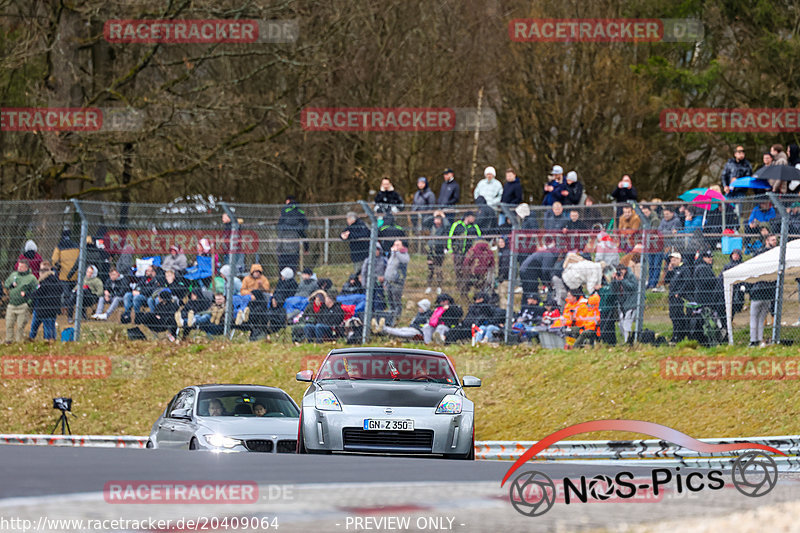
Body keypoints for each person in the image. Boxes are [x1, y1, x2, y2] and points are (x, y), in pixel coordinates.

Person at [448, 212, 482, 296]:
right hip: (458, 253)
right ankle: (460, 289)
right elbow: (450, 237)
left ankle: (465, 291)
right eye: (473, 217)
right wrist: (451, 250)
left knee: (467, 272)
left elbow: (479, 239)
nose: (474, 219)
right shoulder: (457, 225)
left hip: (470, 254)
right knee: (458, 271)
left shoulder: (475, 227)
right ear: (467, 217)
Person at [4, 259, 37, 343]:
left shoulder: (32, 278)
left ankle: (19, 342)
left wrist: (28, 302)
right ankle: (9, 340)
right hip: (12, 304)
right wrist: (11, 285)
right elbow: (6, 284)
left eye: (22, 267)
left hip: (23, 305)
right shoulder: (13, 275)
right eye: (19, 266)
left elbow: (36, 290)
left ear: (26, 268)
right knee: (9, 324)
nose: (19, 268)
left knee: (20, 326)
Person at [664, 252, 692, 343]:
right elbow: (666, 280)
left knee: (678, 316)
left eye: (675, 259)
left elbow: (687, 282)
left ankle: (679, 336)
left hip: (679, 297)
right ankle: (675, 335)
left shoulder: (684, 269)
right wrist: (670, 270)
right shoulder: (674, 270)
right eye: (672, 260)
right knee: (673, 316)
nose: (673, 261)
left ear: (680, 259)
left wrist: (679, 293)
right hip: (672, 296)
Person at [276, 196, 308, 273]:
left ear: (288, 201)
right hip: (295, 243)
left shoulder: (284, 209)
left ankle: (282, 278)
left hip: (284, 236)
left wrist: (278, 250)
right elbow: (305, 223)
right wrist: (301, 228)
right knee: (292, 266)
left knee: (282, 268)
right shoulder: (300, 211)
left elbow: (280, 222)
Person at [29, 263, 60, 341]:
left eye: (42, 270)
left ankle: (48, 341)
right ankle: (51, 339)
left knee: (46, 327)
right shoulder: (56, 280)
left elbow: (37, 293)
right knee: (50, 326)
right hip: (50, 309)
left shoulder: (44, 282)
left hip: (43, 309)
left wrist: (27, 295)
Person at [382, 240, 409, 326]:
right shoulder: (392, 255)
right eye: (394, 244)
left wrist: (396, 252)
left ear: (402, 246)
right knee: (389, 300)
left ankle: (397, 317)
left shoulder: (403, 255)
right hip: (388, 282)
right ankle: (390, 316)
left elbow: (405, 260)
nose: (395, 246)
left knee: (396, 300)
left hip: (397, 282)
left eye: (398, 245)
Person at [51, 229, 80, 305]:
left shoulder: (59, 247)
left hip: (64, 274)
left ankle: (66, 307)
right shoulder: (76, 246)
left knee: (66, 293)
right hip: (75, 273)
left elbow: (54, 260)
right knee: (74, 291)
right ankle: (74, 306)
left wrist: (56, 266)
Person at [613, 266, 638, 343]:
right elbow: (614, 290)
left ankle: (628, 341)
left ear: (625, 270)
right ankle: (626, 339)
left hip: (631, 303)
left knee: (627, 323)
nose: (620, 272)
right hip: (622, 305)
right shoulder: (618, 278)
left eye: (621, 270)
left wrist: (622, 280)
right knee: (621, 324)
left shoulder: (630, 276)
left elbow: (632, 287)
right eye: (618, 271)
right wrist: (614, 280)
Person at [425, 213, 447, 294]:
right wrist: (433, 215)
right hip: (431, 251)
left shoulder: (443, 228)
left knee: (439, 270)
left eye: (439, 219)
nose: (436, 221)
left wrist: (444, 217)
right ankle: (429, 286)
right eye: (435, 219)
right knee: (430, 269)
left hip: (439, 250)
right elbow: (425, 222)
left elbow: (448, 225)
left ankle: (439, 287)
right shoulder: (431, 227)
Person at [722, 249, 745, 317]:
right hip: (730, 284)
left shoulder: (742, 265)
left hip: (739, 285)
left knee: (739, 297)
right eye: (734, 254)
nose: (735, 256)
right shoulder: (728, 265)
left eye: (737, 255)